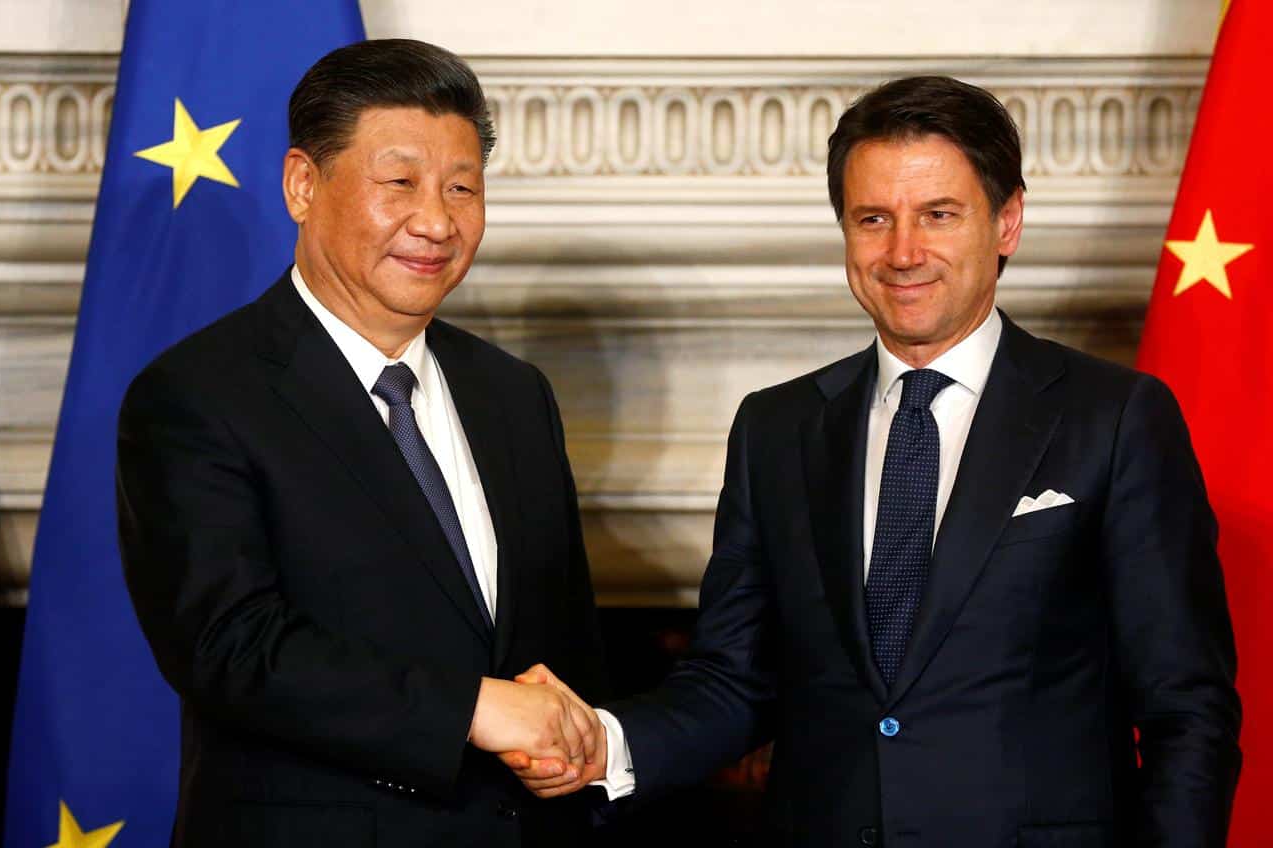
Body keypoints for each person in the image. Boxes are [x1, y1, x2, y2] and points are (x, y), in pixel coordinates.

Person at [506, 76, 1242, 846]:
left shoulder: (1114, 418)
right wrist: (606, 745)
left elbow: (1186, 710)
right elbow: (734, 681)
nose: (903, 253)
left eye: (938, 215)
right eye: (873, 219)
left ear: (1007, 222)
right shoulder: (776, 429)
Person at [116, 39, 609, 847]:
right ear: (302, 185)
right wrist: (474, 708)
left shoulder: (514, 394)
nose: (436, 221)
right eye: (400, 183)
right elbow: (230, 647)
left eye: (462, 188)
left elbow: (565, 645)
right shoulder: (198, 394)